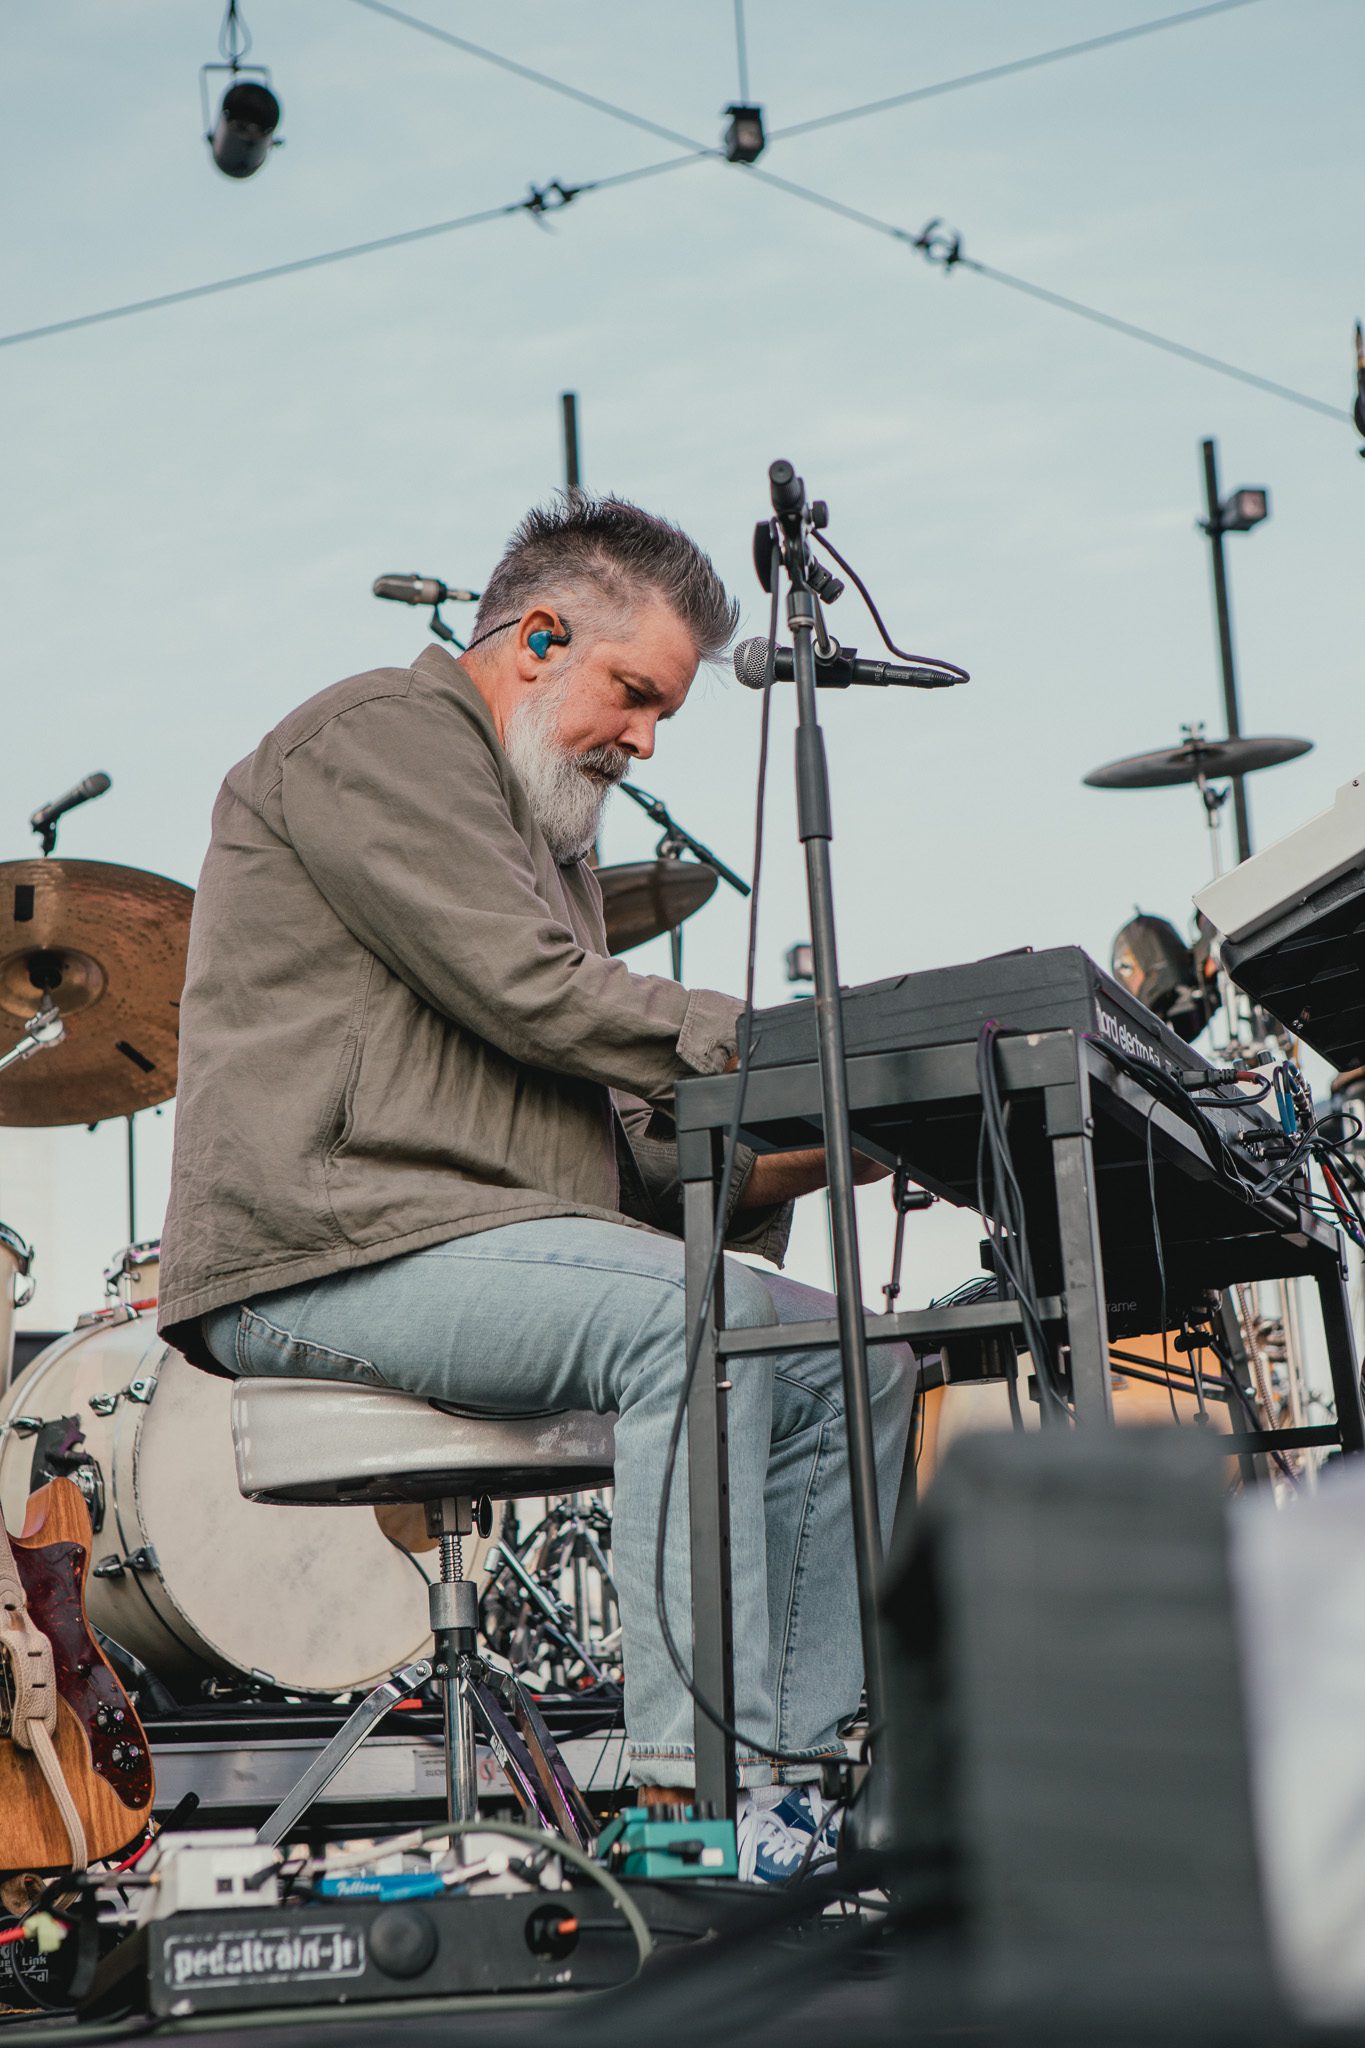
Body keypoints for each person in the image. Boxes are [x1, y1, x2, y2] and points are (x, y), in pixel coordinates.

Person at [159, 492, 912, 1881]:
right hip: (323, 1250)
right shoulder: (375, 737)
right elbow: (533, 995)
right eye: (634, 696)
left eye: (662, 717)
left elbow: (632, 1148)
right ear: (539, 634)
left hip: (484, 1243)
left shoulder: (548, 847)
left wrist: (854, 1134)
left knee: (845, 1357)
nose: (641, 740)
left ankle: (805, 1805)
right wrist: (796, 1045)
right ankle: (697, 1816)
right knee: (698, 1319)